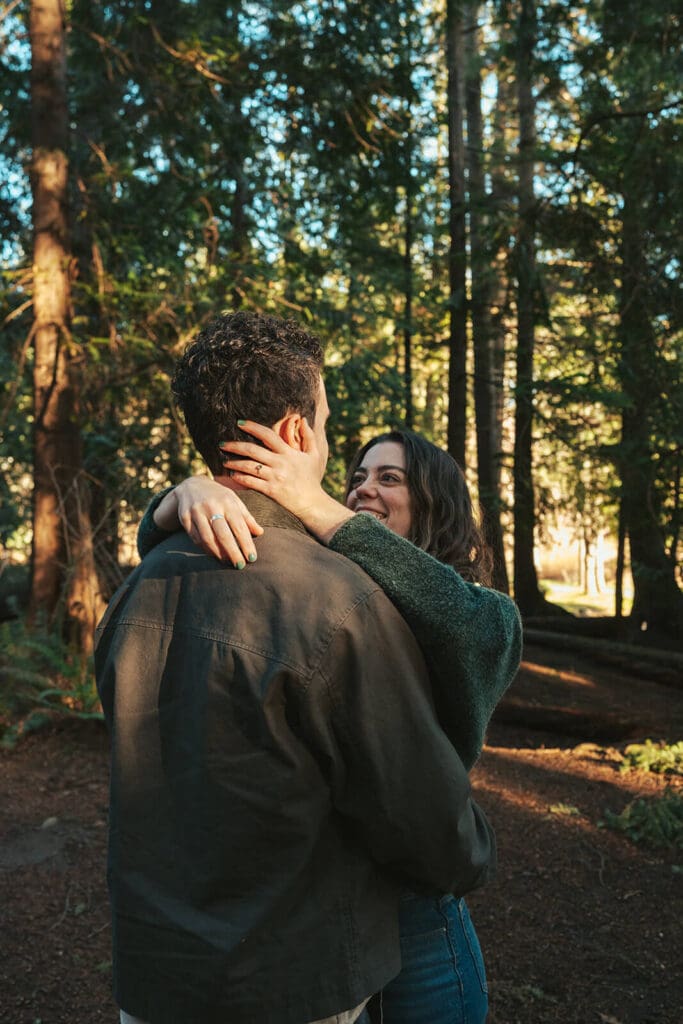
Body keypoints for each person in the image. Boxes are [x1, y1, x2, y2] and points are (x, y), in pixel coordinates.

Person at [96, 310, 497, 1024]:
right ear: (296, 433)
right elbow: (422, 817)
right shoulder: (335, 599)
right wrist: (175, 497)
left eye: (391, 478)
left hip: (159, 981)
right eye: (350, 463)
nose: (364, 485)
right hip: (292, 977)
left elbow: (482, 629)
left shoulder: (136, 590)